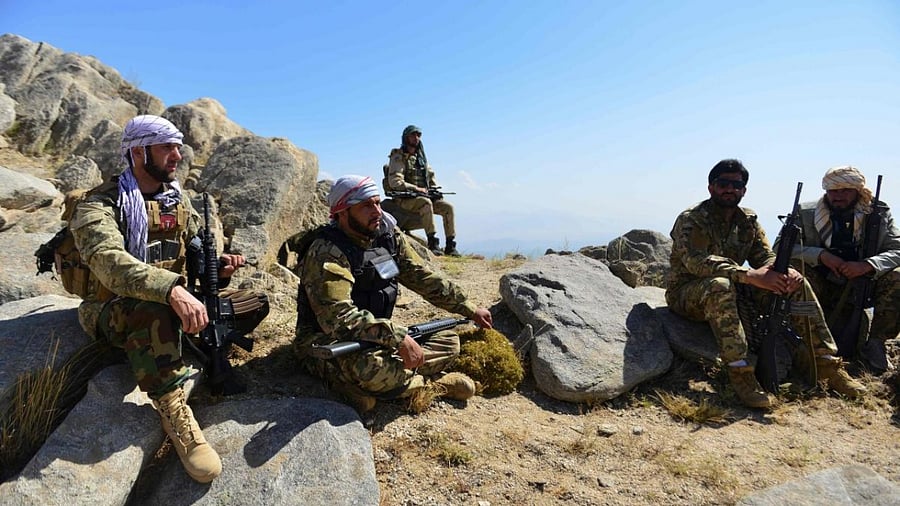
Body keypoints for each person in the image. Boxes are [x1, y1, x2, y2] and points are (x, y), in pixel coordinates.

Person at [69, 115, 268, 483]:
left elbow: (193, 252)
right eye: (167, 147)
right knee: (154, 310)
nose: (177, 155)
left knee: (252, 303)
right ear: (139, 152)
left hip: (172, 297)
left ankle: (181, 344)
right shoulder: (98, 205)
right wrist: (172, 290)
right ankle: (174, 409)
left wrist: (218, 269)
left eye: (179, 147)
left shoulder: (176, 200)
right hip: (111, 307)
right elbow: (110, 265)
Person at [665, 159, 865, 409]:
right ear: (711, 187)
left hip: (735, 286)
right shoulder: (692, 219)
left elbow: (764, 255)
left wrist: (782, 270)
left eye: (736, 184)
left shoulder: (747, 220)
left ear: (744, 190)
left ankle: (826, 364)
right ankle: (741, 374)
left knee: (796, 284)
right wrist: (748, 276)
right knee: (720, 285)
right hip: (688, 293)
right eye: (723, 183)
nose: (730, 189)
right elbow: (696, 262)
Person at [293, 175, 493, 414]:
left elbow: (422, 276)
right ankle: (432, 386)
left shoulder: (386, 236)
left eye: (377, 203)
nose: (376, 211)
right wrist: (397, 338)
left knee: (450, 341)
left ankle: (383, 383)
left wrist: (469, 308)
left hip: (376, 336)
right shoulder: (327, 251)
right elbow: (337, 319)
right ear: (343, 212)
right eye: (366, 206)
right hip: (327, 340)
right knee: (371, 368)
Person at [780, 166, 899, 374]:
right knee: (796, 271)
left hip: (862, 284)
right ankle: (804, 342)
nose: (838, 196)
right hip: (821, 282)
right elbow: (781, 248)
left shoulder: (877, 214)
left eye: (845, 190)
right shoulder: (806, 213)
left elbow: (897, 249)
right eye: (833, 191)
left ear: (858, 191)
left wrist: (867, 265)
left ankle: (876, 343)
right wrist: (820, 256)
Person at [384, 124, 459, 256]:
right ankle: (432, 242)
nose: (416, 138)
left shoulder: (421, 159)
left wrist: (435, 192)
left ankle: (450, 245)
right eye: (413, 135)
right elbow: (395, 182)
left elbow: (431, 181)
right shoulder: (398, 156)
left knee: (448, 208)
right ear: (406, 137)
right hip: (404, 199)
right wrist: (417, 189)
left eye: (418, 135)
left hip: (422, 196)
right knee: (425, 203)